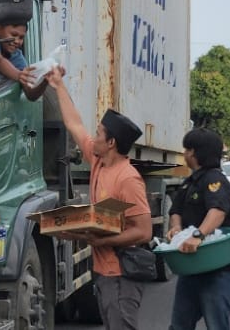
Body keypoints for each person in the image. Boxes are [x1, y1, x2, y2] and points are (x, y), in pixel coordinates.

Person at [45, 68, 152, 330]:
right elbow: (74, 124)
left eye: (99, 133)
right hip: (105, 272)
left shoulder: (128, 178)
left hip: (121, 275)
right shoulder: (98, 161)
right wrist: (58, 85)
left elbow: (144, 231)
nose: (93, 136)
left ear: (112, 142)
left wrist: (104, 240)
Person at [168, 127, 230, 330]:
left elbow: (217, 211)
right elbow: (176, 210)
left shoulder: (214, 180)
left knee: (216, 325)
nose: (184, 154)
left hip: (218, 269)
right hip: (192, 267)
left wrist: (198, 235)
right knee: (179, 325)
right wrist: (176, 228)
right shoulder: (190, 182)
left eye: (186, 149)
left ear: (193, 152)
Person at [0, 21, 48, 100]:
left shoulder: (16, 55)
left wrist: (45, 81)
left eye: (21, 38)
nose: (17, 41)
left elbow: (30, 95)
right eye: (13, 35)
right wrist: (19, 75)